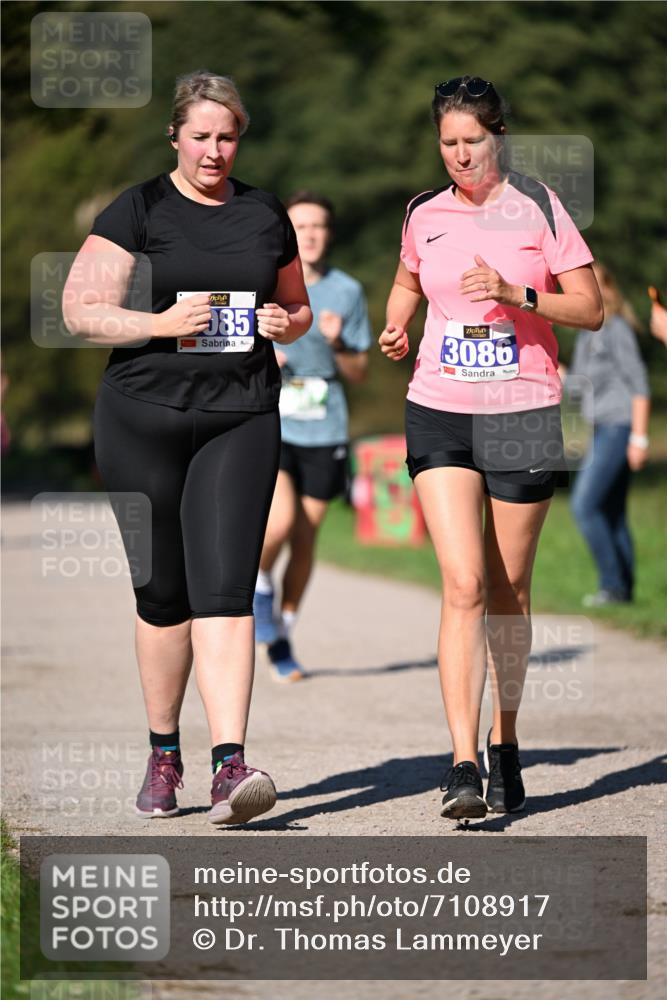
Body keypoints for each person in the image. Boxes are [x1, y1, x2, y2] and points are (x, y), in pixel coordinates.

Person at [62, 71, 311, 825]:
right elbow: (81, 310)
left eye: (226, 136)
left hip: (240, 415)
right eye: (200, 136)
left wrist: (285, 325)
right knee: (163, 594)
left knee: (226, 590)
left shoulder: (266, 212)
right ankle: (163, 755)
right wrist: (159, 323)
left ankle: (229, 766)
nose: (213, 150)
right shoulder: (137, 208)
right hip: (142, 416)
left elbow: (297, 305)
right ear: (175, 136)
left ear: (241, 138)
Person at [379, 76, 602, 821]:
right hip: (439, 407)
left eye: (471, 140)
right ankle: (462, 762)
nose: (459, 154)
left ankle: (506, 741)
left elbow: (591, 308)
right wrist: (396, 324)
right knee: (463, 583)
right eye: (447, 142)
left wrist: (518, 294)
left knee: (507, 590)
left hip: (521, 411)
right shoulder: (422, 212)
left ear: (497, 137)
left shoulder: (537, 206)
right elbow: (407, 279)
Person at [252, 191, 371, 681]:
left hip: (326, 425)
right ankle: (257, 587)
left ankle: (282, 633)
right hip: (274, 421)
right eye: (301, 227)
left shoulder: (347, 290)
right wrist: (265, 358)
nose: (312, 234)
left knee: (306, 537)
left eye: (320, 226)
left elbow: (359, 370)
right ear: (288, 234)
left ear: (330, 233)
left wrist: (340, 341)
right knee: (277, 523)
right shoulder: (268, 282)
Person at [567, 263, 650, 606]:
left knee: (584, 506)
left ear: (607, 289)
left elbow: (639, 383)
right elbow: (579, 384)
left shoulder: (615, 328)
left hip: (620, 427)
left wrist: (640, 438)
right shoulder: (588, 332)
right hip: (601, 427)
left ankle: (612, 585)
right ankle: (625, 590)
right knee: (611, 510)